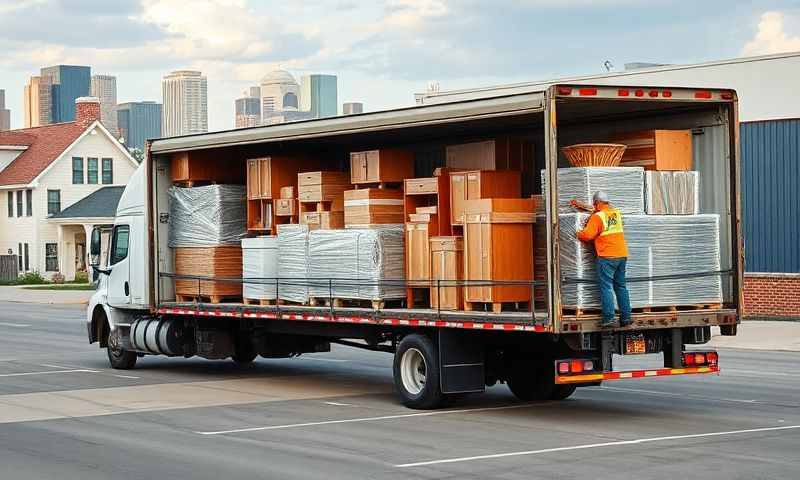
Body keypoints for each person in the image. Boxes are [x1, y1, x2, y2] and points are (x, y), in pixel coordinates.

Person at [574, 191, 632, 328]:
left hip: (607, 256)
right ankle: (626, 318)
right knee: (621, 286)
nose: (593, 206)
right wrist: (582, 206)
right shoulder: (615, 213)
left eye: (594, 204)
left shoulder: (597, 217)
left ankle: (609, 318)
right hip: (621, 255)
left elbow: (587, 235)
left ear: (598, 203)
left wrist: (577, 233)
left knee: (606, 287)